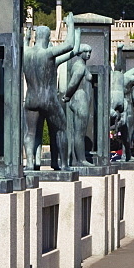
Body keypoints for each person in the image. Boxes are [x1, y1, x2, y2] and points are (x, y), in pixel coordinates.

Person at [23, 13, 79, 170]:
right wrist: (70, 24)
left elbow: (23, 43)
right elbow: (69, 45)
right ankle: (64, 164)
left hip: (31, 99)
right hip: (48, 98)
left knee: (30, 133)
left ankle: (29, 163)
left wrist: (26, 38)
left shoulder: (26, 53)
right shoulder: (47, 53)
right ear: (48, 38)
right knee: (61, 129)